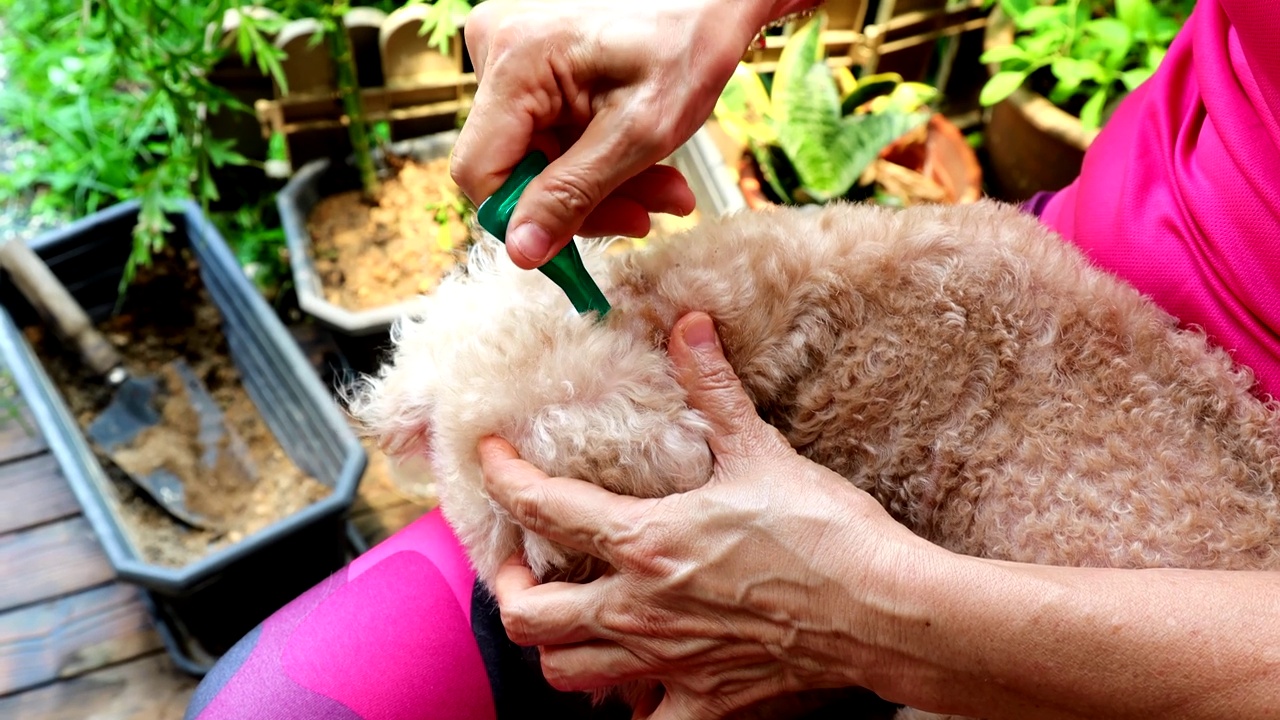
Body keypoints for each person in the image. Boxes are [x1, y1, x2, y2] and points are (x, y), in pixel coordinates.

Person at [184, 0, 1280, 718]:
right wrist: (701, 13)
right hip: (1041, 291)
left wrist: (873, 619)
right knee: (264, 706)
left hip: (1201, 601)